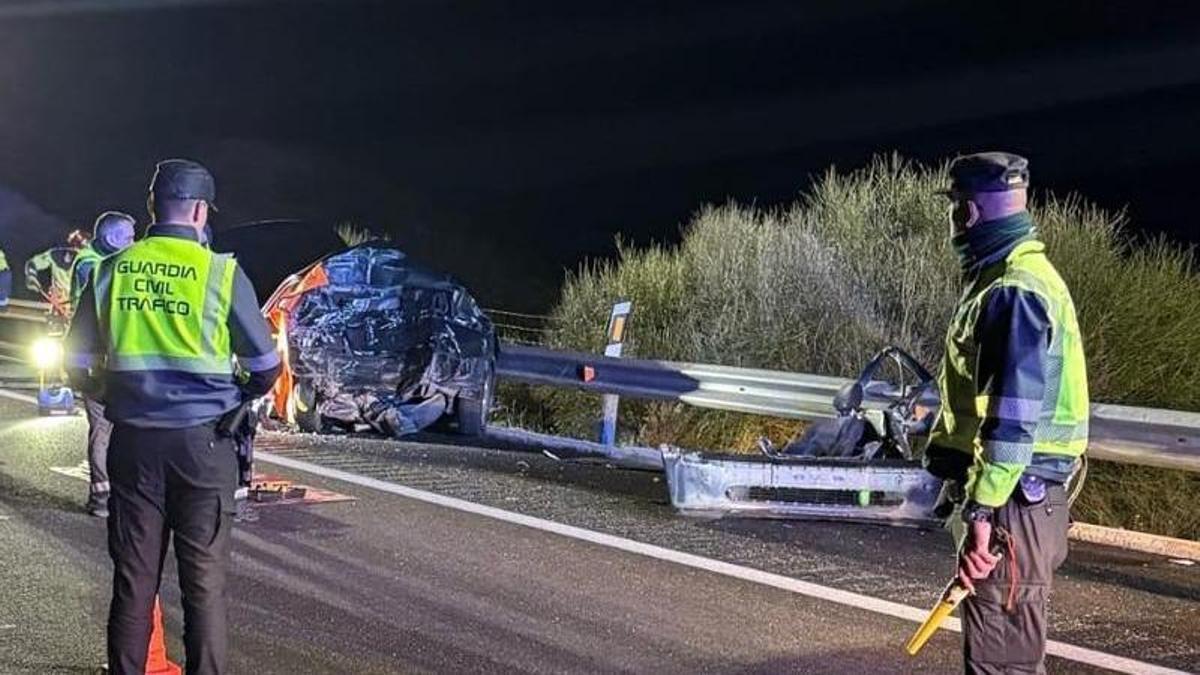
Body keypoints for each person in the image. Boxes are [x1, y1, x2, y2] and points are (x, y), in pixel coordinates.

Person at [66, 159, 281, 674]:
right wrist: (236, 396)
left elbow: (75, 363)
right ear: (202, 211)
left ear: (150, 208)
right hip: (203, 447)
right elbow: (266, 366)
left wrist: (114, 392)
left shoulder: (110, 269)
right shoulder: (221, 273)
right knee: (204, 587)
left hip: (134, 442)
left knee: (134, 584)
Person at [922, 152, 1089, 674]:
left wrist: (981, 513)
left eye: (956, 208)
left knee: (1004, 661)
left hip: (1012, 502)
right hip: (1020, 501)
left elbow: (1011, 418)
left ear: (969, 213)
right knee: (1002, 654)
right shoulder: (1018, 278)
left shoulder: (1013, 290)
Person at [68, 211, 137, 517]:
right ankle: (102, 497)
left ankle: (107, 496)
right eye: (129, 238)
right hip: (102, 363)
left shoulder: (97, 262)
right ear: (111, 240)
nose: (134, 244)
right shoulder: (96, 267)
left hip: (100, 361)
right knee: (104, 431)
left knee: (106, 431)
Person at [26, 229, 89, 316]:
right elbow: (33, 264)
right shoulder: (56, 255)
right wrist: (31, 276)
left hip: (80, 311)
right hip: (59, 309)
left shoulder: (94, 264)